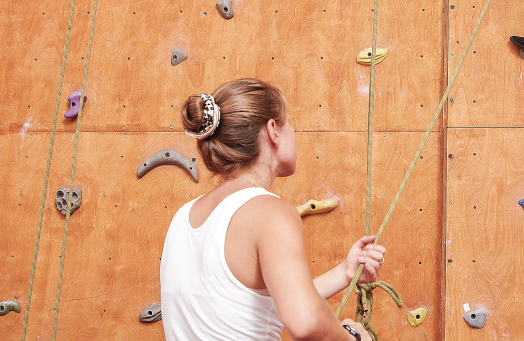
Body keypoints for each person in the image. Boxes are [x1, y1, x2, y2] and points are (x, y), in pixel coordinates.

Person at [161, 78, 386, 341]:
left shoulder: (184, 217)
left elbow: (250, 310)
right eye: (289, 125)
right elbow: (305, 322)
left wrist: (344, 273)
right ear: (273, 131)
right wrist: (352, 338)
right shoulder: (270, 211)